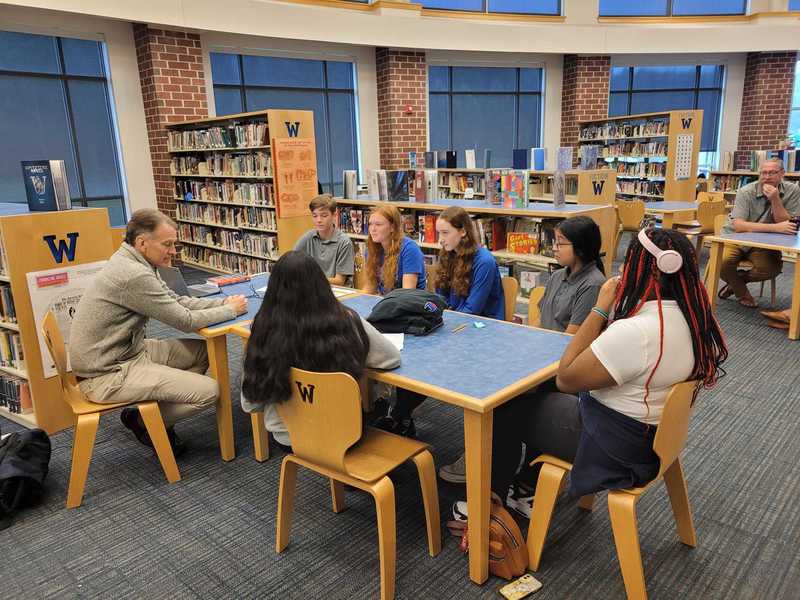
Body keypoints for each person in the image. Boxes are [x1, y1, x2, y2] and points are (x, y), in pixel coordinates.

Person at [466, 228, 728, 521]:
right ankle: (527, 486)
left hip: (617, 446)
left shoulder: (637, 331)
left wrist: (600, 308)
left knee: (505, 408)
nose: (623, 270)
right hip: (652, 438)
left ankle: (488, 504)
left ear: (649, 271)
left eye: (629, 262)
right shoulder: (692, 316)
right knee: (543, 394)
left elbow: (566, 376)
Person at [439, 215, 607, 487]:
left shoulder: (593, 284)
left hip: (563, 369)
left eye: (560, 243)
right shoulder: (557, 276)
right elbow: (539, 323)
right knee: (491, 383)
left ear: (580, 247)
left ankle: (499, 479)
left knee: (504, 403)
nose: (553, 248)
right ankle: (487, 461)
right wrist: (522, 348)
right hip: (542, 357)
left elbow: (570, 341)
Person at [69, 209, 248, 456]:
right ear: (142, 243)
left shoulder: (135, 261)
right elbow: (183, 320)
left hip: (126, 353)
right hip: (106, 374)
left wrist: (222, 303)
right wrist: (229, 311)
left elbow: (177, 300)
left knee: (203, 352)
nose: (173, 251)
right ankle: (144, 421)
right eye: (167, 244)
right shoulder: (133, 274)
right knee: (210, 392)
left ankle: (159, 412)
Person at [240, 251, 400, 449]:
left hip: (289, 439)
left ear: (273, 289)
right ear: (322, 285)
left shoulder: (263, 330)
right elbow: (391, 358)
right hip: (345, 437)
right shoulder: (347, 321)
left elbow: (250, 404)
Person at [374, 206, 506, 438]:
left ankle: (399, 415)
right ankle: (400, 415)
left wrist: (440, 319)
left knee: (427, 358)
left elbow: (472, 310)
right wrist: (435, 317)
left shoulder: (484, 261)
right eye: (439, 233)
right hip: (455, 324)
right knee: (416, 351)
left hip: (482, 330)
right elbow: (440, 300)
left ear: (463, 232)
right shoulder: (449, 255)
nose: (440, 239)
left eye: (445, 233)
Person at [719, 158, 800, 307]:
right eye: (763, 173)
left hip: (765, 242)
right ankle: (742, 293)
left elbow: (789, 225)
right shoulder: (746, 191)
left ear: (782, 173)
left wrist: (775, 199)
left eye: (772, 173)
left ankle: (736, 283)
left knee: (772, 268)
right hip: (736, 238)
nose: (767, 177)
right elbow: (739, 226)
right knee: (722, 262)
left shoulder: (793, 190)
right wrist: (775, 228)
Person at [363, 203, 426, 294]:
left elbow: (407, 294)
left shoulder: (410, 249)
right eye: (370, 224)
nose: (372, 229)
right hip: (386, 300)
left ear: (392, 227)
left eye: (378, 224)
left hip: (407, 301)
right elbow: (370, 288)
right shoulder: (371, 249)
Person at [293, 194, 354, 286]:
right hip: (314, 287)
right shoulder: (308, 237)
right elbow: (291, 260)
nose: (319, 220)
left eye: (324, 216)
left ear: (334, 215)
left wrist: (310, 279)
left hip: (335, 290)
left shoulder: (344, 242)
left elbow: (339, 281)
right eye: (315, 216)